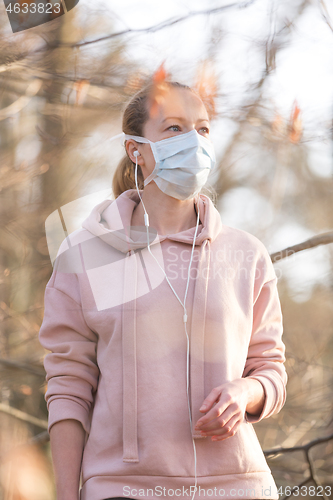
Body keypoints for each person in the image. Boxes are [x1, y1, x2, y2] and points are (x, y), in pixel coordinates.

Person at [39, 78, 287, 500]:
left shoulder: (246, 254)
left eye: (203, 128)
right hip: (121, 488)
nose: (193, 140)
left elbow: (271, 370)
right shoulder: (85, 254)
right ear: (135, 149)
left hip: (239, 487)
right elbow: (68, 386)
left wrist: (246, 391)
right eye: (173, 128)